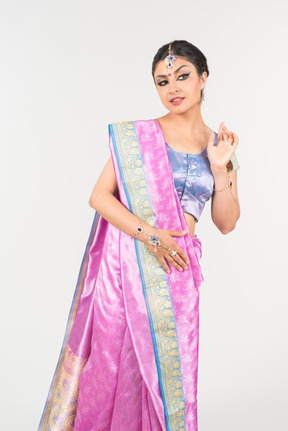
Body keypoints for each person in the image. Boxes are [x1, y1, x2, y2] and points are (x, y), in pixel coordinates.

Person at [38, 40, 240, 431]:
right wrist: (152, 236)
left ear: (203, 77)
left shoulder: (222, 147)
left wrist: (219, 169)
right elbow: (99, 197)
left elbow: (227, 222)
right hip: (127, 267)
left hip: (177, 272)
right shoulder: (137, 138)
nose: (173, 88)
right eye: (163, 81)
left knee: (173, 380)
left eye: (182, 76)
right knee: (115, 369)